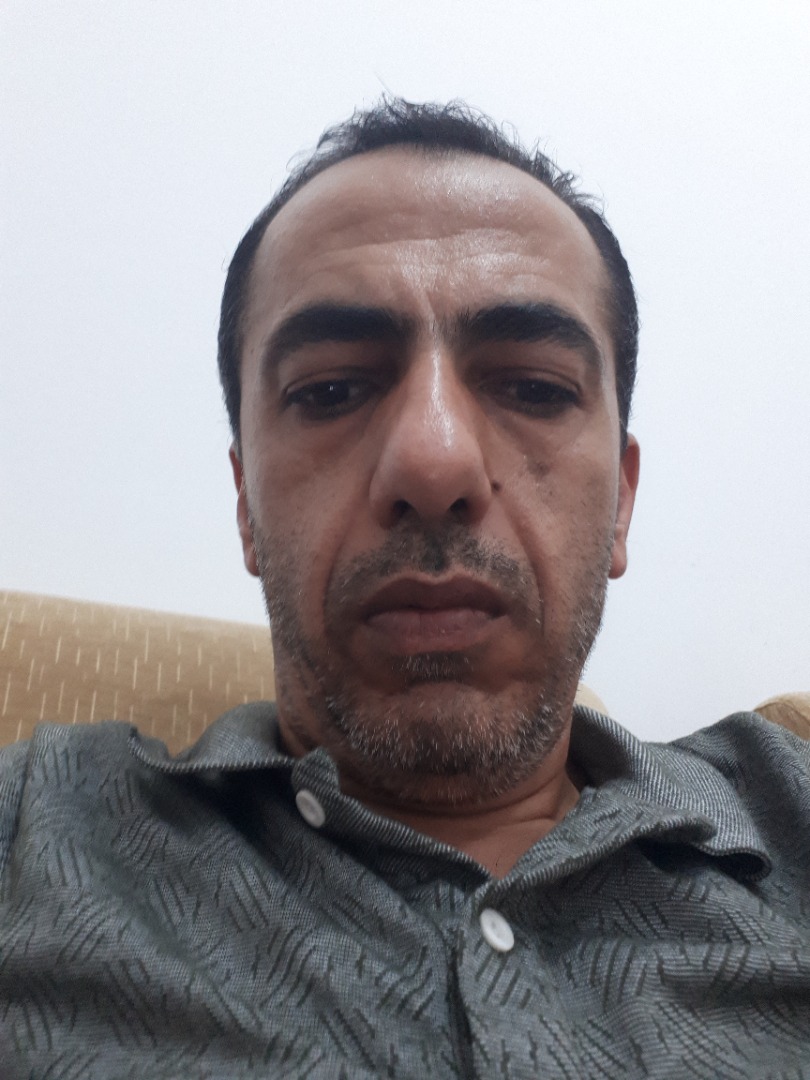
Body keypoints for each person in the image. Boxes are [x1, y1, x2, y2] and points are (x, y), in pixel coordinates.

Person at [1, 99, 809, 1079]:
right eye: (331, 390)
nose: (433, 462)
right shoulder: (35, 828)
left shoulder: (789, 801)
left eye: (535, 387)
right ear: (246, 505)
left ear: (622, 506)